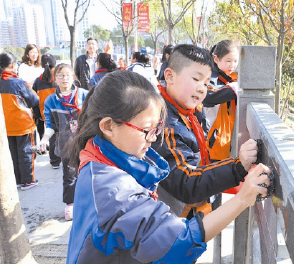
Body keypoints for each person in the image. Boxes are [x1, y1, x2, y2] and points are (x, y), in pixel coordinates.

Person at [66, 70, 271, 263]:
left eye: (157, 129)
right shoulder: (114, 191)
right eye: (146, 130)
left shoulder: (96, 155)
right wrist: (243, 198)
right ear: (108, 126)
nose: (153, 138)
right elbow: (178, 240)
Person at [152, 44, 258, 218]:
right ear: (170, 76)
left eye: (206, 83)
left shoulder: (189, 111)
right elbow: (185, 183)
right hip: (170, 220)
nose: (202, 88)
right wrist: (238, 167)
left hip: (186, 212)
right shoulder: (165, 124)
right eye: (196, 79)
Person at [38, 63, 88, 220]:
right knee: (70, 175)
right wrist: (45, 139)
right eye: (61, 75)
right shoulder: (50, 101)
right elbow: (50, 124)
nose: (65, 78)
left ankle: (88, 203)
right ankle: (70, 204)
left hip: (86, 143)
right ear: (55, 79)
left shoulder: (84, 95)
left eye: (68, 75)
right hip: (66, 144)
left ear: (73, 77)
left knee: (88, 173)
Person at [0, 51, 40, 190]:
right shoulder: (18, 82)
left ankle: (18, 180)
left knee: (14, 153)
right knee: (26, 152)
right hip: (23, 124)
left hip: (6, 126)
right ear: (12, 65)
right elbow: (34, 99)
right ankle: (28, 181)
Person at [204, 40, 239, 162]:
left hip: (226, 141)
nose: (232, 65)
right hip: (211, 142)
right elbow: (208, 97)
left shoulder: (231, 77)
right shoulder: (209, 78)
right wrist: (235, 88)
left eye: (235, 61)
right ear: (216, 59)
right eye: (228, 61)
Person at [32, 53, 61, 168]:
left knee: (52, 135)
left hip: (47, 114)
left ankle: (54, 161)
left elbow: (34, 100)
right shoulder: (60, 78)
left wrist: (38, 114)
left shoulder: (38, 82)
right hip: (62, 112)